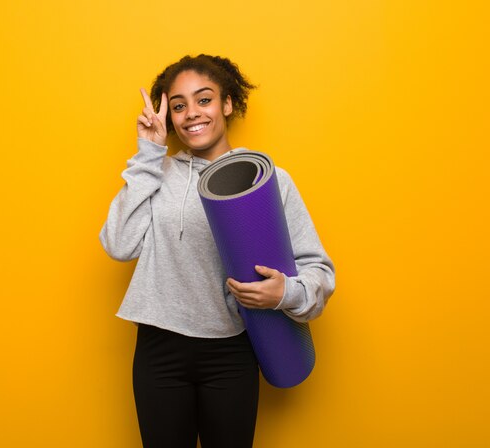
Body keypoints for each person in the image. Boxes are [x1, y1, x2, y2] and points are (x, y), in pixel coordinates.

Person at [99, 54, 335, 448]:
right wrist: (147, 154)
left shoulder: (267, 178)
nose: (192, 113)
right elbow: (118, 245)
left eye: (204, 99)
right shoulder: (157, 172)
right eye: (178, 105)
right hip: (160, 349)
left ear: (227, 104)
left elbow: (319, 272)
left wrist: (284, 294)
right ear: (169, 117)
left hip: (232, 350)